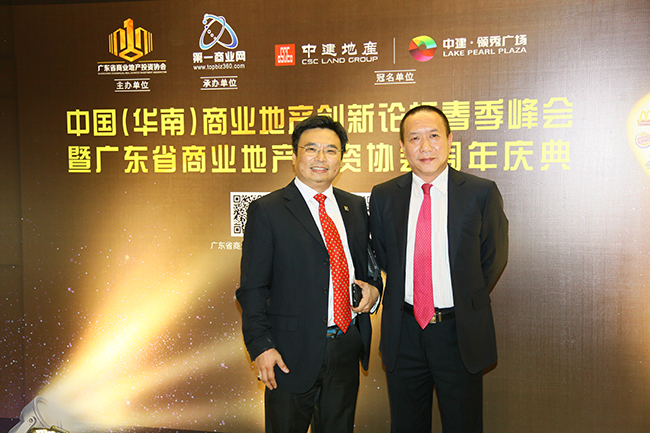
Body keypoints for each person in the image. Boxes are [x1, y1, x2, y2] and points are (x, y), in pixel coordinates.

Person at [236, 115, 382, 433]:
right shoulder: (268, 210)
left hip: (345, 345)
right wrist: (261, 346)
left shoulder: (355, 207)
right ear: (294, 155)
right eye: (311, 149)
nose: (321, 158)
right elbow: (252, 289)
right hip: (289, 353)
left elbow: (367, 268)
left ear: (341, 159)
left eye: (330, 150)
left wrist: (373, 292)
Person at [369, 105, 508, 433]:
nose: (425, 146)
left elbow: (493, 256)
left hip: (458, 332)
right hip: (403, 332)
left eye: (433, 135)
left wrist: (464, 294)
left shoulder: (480, 193)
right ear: (402, 147)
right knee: (406, 425)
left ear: (449, 140)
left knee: (463, 424)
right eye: (414, 138)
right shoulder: (385, 195)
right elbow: (385, 256)